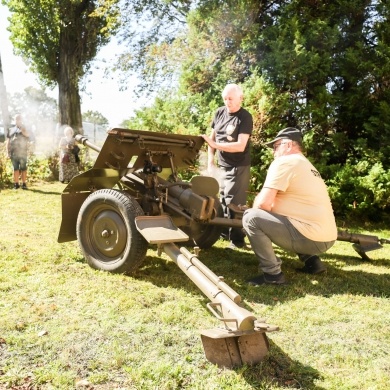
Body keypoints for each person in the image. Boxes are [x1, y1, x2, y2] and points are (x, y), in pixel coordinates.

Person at [242, 127, 337, 286]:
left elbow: (263, 204)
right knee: (293, 219)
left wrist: (251, 211)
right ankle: (313, 262)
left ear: (287, 145)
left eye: (276, 146)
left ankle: (273, 276)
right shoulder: (307, 165)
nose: (274, 152)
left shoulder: (284, 162)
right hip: (327, 237)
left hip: (310, 238)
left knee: (251, 218)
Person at [201, 83, 253, 249]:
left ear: (240, 98)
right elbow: (212, 139)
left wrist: (215, 145)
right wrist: (210, 161)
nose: (227, 102)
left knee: (234, 202)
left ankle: (237, 241)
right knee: (222, 199)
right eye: (225, 98)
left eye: (230, 98)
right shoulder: (219, 113)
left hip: (239, 165)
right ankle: (224, 233)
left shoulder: (245, 117)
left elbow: (240, 145)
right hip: (222, 164)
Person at [7, 114, 30, 190]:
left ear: (21, 120)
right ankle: (16, 184)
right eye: (17, 119)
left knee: (23, 168)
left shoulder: (25, 128)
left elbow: (28, 135)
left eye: (19, 119)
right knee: (15, 169)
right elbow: (8, 141)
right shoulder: (11, 129)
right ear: (15, 120)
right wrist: (8, 152)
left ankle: (24, 184)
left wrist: (22, 130)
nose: (18, 120)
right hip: (14, 153)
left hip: (23, 152)